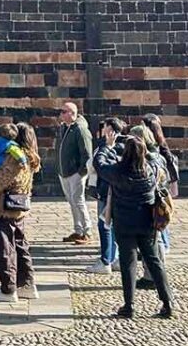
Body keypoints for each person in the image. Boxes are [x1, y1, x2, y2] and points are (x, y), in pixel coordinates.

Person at [93, 134, 173, 319]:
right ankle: (167, 302)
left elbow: (99, 163)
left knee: (128, 263)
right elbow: (155, 157)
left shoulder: (117, 171)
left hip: (124, 222)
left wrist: (108, 146)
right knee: (154, 261)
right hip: (147, 222)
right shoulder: (151, 169)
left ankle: (129, 305)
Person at [0, 122, 41, 302]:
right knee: (20, 245)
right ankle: (26, 284)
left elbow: (0, 181)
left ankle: (8, 289)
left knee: (4, 248)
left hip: (5, 206)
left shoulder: (15, 157)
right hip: (21, 205)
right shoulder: (31, 157)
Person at [129, 124, 171, 290]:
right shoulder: (155, 155)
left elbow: (150, 182)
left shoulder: (150, 158)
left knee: (155, 240)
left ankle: (152, 276)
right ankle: (153, 274)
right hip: (156, 200)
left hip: (152, 202)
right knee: (155, 239)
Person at [86, 117, 126, 275]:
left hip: (107, 192)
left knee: (105, 225)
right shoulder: (126, 147)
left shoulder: (109, 148)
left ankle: (105, 260)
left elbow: (96, 164)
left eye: (106, 128)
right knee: (115, 227)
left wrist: (107, 147)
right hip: (118, 192)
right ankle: (115, 258)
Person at [56, 102, 93, 244]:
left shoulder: (80, 129)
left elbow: (87, 153)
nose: (61, 114)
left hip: (75, 173)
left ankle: (87, 231)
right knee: (72, 201)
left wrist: (81, 172)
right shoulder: (64, 127)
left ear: (72, 113)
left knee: (78, 201)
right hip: (64, 171)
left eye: (64, 111)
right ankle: (78, 230)